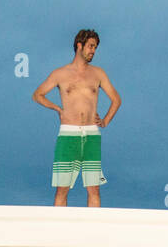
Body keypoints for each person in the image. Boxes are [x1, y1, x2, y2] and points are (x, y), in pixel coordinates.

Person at [32, 29, 122, 207]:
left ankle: (92, 232)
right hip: (68, 135)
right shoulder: (60, 73)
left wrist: (105, 121)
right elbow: (38, 94)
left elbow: (116, 100)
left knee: (93, 188)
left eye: (95, 47)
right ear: (79, 46)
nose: (93, 51)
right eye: (90, 46)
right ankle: (59, 232)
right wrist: (57, 108)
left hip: (91, 135)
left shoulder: (98, 73)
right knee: (62, 189)